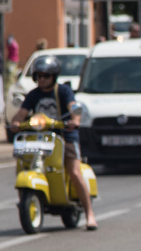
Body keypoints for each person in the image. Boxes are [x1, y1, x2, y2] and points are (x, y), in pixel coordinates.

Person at [9, 55, 98, 230]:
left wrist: (75, 120)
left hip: (64, 136)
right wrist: (16, 123)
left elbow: (73, 107)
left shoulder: (63, 91)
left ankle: (89, 214)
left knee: (74, 171)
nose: (42, 79)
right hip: (40, 139)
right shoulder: (33, 95)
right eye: (39, 76)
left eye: (46, 76)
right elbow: (22, 113)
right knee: (24, 164)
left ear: (54, 76)